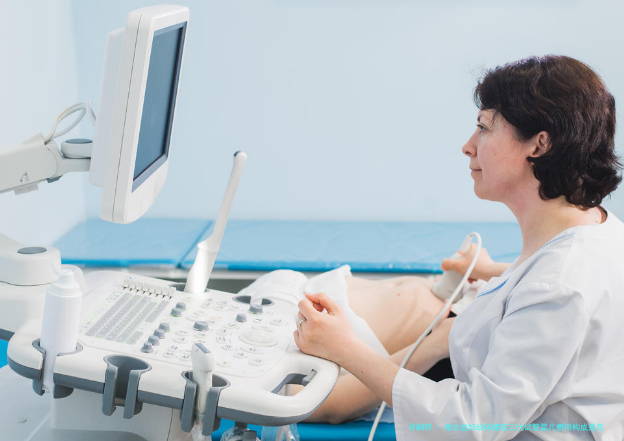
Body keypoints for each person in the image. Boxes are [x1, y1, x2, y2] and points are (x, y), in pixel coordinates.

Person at [293, 55, 624, 440]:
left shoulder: (557, 285)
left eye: (483, 128)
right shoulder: (594, 231)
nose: (468, 146)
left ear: (539, 143)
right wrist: (492, 271)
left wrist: (346, 349)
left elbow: (474, 424)